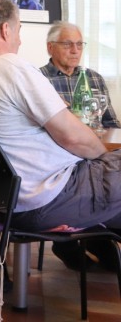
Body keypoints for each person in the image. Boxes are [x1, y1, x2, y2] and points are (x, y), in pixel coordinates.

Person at [0, 0, 121, 265]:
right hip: (50, 199)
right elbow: (72, 136)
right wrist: (105, 159)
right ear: (6, 30)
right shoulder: (11, 67)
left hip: (8, 205)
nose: (19, 41)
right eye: (19, 31)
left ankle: (107, 252)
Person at [40, 20, 120, 270]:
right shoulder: (39, 80)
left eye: (79, 44)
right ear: (51, 47)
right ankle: (69, 242)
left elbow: (111, 122)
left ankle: (100, 237)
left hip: (94, 154)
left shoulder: (93, 78)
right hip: (60, 158)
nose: (75, 50)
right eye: (67, 44)